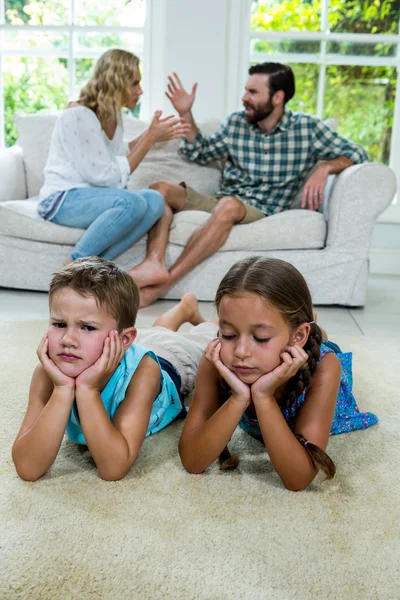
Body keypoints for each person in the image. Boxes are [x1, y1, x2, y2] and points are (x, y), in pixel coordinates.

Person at [129, 63, 369, 306]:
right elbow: (200, 151)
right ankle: (154, 263)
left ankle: (166, 283)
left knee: (229, 206)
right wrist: (185, 113)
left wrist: (324, 167)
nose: (244, 98)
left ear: (277, 97)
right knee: (160, 189)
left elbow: (358, 152)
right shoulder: (237, 123)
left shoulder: (306, 128)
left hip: (260, 207)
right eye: (246, 90)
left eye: (253, 92)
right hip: (223, 200)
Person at [178, 257, 378, 491]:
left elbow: (299, 478)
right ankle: (294, 325)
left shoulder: (325, 367)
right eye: (229, 333)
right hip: (293, 338)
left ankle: (313, 329)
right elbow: (192, 461)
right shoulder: (217, 359)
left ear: (298, 337)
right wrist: (239, 398)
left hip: (308, 355)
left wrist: (262, 396)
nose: (241, 352)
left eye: (261, 338)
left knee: (323, 339)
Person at [12, 257, 217, 482]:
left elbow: (114, 468)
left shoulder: (144, 372)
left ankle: (202, 318)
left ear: (124, 338)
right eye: (60, 324)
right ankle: (183, 310)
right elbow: (27, 468)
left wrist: (87, 390)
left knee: (206, 338)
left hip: (173, 359)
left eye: (87, 327)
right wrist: (62, 389)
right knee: (157, 333)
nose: (68, 339)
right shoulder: (46, 374)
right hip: (126, 345)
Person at [37, 48, 190, 265]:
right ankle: (74, 264)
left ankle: (94, 266)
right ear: (116, 83)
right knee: (132, 203)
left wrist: (151, 135)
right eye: (134, 83)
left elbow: (118, 156)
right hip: (61, 199)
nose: (140, 91)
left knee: (155, 201)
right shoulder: (79, 116)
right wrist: (149, 139)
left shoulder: (113, 116)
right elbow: (108, 177)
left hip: (92, 195)